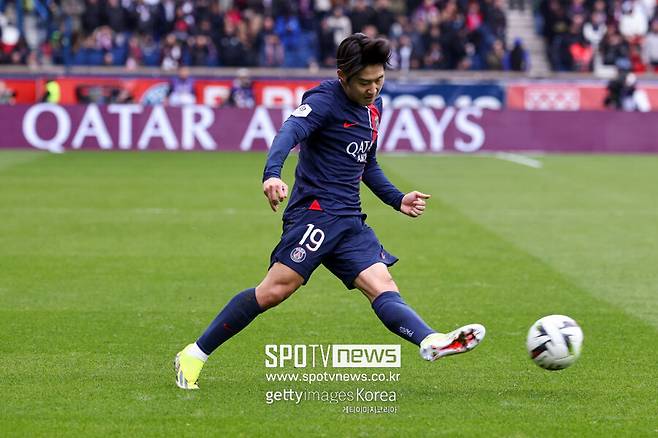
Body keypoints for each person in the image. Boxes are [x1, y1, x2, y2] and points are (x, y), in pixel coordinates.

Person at [174, 33, 486, 390]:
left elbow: (366, 162)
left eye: (379, 80)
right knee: (275, 290)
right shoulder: (323, 100)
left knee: (382, 285)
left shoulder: (374, 108)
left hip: (350, 220)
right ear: (343, 76)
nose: (373, 89)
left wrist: (396, 199)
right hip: (315, 215)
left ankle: (431, 341)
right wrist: (272, 174)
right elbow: (288, 131)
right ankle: (193, 355)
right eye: (365, 83)